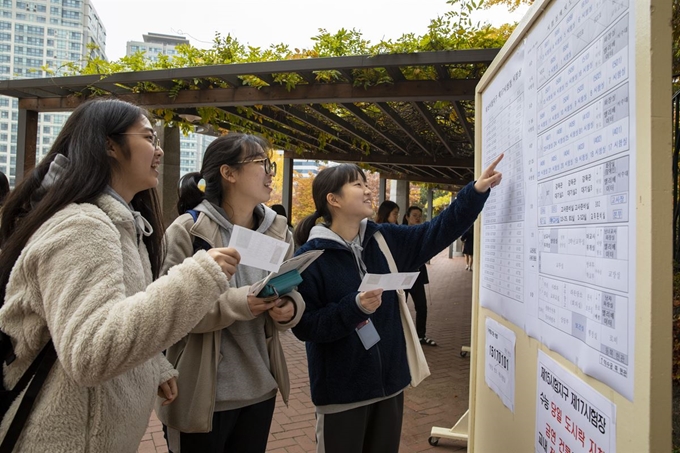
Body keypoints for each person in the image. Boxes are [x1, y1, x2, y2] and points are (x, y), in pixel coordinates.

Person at [0, 98, 239, 452]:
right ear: (110, 145)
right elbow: (90, 350)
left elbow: (112, 313)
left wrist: (151, 365)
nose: (158, 151)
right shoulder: (82, 227)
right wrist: (197, 278)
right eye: (148, 138)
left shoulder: (122, 224)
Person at [292, 155, 503, 453]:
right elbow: (306, 326)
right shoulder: (310, 258)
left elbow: (437, 231)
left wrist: (475, 192)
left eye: (367, 184)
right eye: (357, 185)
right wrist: (355, 308)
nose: (368, 191)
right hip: (342, 394)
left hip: (390, 385)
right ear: (333, 200)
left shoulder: (384, 238)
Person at [159, 132, 305, 453]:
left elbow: (292, 287)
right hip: (202, 396)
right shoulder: (188, 231)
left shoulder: (279, 230)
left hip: (260, 389)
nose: (270, 172)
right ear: (229, 173)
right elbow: (167, 313)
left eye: (272, 165)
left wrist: (289, 308)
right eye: (262, 163)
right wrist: (243, 303)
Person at [402, 205, 436, 346]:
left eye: (419, 215)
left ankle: (421, 336)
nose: (417, 218)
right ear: (407, 217)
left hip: (417, 275)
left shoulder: (422, 233)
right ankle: (400, 335)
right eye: (414, 215)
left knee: (422, 306)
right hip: (402, 277)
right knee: (399, 307)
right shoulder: (400, 232)